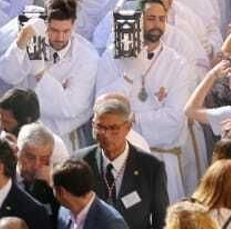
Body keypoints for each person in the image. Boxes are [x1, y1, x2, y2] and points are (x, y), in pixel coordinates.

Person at [71, 95, 167, 229]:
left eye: (114, 129)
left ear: (128, 127)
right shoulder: (80, 162)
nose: (106, 135)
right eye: (100, 127)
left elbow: (162, 220)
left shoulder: (150, 167)